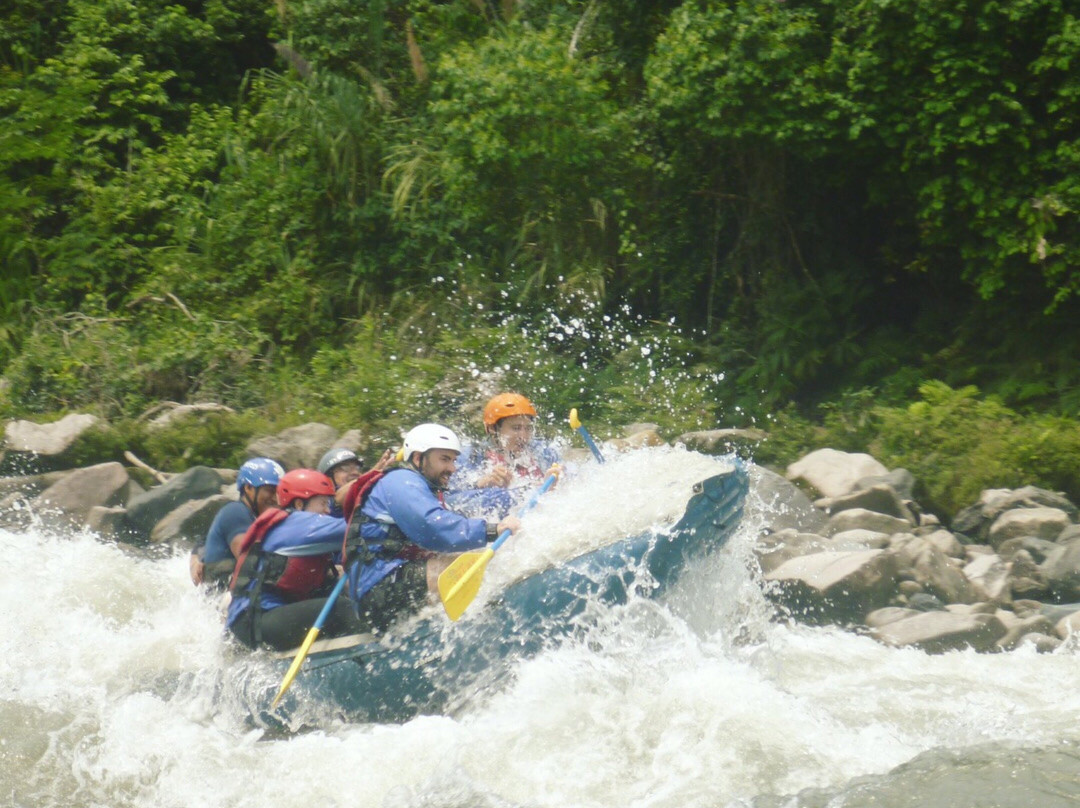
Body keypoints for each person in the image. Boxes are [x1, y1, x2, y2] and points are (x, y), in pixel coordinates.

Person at [340, 423, 520, 633]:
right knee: (471, 569)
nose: (452, 468)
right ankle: (493, 630)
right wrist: (492, 529)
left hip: (394, 577)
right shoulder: (400, 481)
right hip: (378, 588)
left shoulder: (425, 487)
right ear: (418, 458)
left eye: (453, 460)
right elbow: (433, 528)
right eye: (444, 459)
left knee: (481, 559)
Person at [226, 468, 366, 651]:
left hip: (262, 620)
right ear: (299, 504)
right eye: (323, 503)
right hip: (258, 621)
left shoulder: (297, 532)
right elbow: (359, 528)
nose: (327, 511)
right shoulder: (296, 524)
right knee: (341, 609)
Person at [447, 393, 561, 517]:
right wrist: (478, 484)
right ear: (492, 428)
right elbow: (450, 501)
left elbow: (576, 482)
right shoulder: (471, 457)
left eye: (528, 428)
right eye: (516, 428)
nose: (523, 437)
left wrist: (562, 479)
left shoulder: (543, 452)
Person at [189, 457, 285, 589]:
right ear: (248, 488)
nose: (276, 498)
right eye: (270, 490)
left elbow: (204, 540)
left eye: (279, 491)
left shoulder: (253, 515)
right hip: (222, 602)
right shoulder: (235, 512)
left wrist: (196, 555)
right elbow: (252, 563)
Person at [317, 445, 396, 517]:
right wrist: (373, 472)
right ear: (329, 478)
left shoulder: (367, 499)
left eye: (357, 468)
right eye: (345, 468)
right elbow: (339, 497)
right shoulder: (325, 504)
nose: (355, 472)